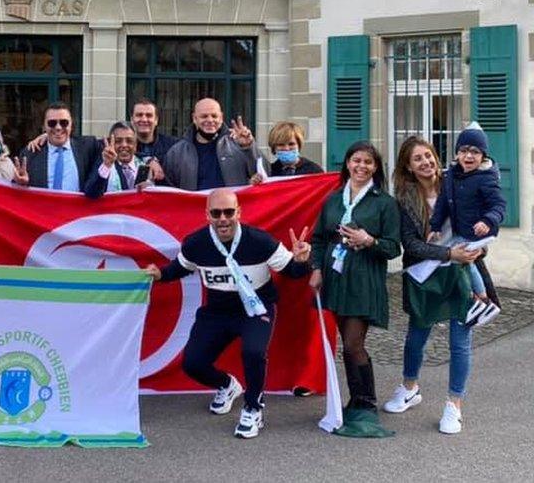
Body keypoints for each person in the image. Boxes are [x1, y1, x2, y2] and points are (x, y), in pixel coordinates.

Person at [144, 189, 313, 439]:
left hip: (256, 309)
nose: (223, 218)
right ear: (207, 216)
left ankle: (254, 408)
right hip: (217, 311)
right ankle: (227, 385)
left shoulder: (260, 241)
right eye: (216, 213)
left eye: (229, 212)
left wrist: (302, 260)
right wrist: (160, 274)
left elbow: (293, 272)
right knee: (192, 363)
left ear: (239, 213)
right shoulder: (196, 243)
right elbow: (179, 268)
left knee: (253, 351)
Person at [383, 136, 482, 434]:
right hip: (424, 274)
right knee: (416, 337)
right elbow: (410, 244)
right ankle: (410, 388)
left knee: (459, 341)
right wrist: (447, 252)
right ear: (408, 167)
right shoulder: (403, 199)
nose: (425, 162)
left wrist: (476, 249)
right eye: (417, 159)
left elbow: (481, 224)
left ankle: (454, 405)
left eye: (428, 155)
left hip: (461, 272)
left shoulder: (458, 184)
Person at [309, 141, 401, 437]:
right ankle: (355, 400)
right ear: (347, 163)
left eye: (368, 163)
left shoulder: (384, 202)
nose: (361, 167)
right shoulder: (333, 199)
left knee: (353, 343)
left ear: (376, 168)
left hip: (364, 279)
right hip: (335, 279)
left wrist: (369, 240)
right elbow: (320, 239)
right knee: (345, 345)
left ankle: (366, 402)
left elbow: (393, 248)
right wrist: (316, 269)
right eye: (356, 160)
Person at [428, 123, 506, 303]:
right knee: (459, 257)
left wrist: (487, 221)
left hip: (479, 232)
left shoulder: (486, 178)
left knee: (463, 258)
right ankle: (477, 297)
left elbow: (499, 205)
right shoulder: (450, 175)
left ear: (483, 155)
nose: (469, 156)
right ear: (457, 153)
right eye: (463, 150)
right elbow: (442, 203)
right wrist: (435, 226)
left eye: (475, 152)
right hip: (461, 229)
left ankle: (482, 297)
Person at [162, 97, 259, 190]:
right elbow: (168, 190)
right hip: (194, 207)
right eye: (204, 116)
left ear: (221, 118)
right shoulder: (177, 152)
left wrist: (249, 147)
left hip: (231, 206)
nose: (210, 120)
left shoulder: (238, 145)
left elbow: (262, 174)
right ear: (194, 118)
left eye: (214, 116)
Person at [15, 101, 99, 192]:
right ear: (44, 126)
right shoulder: (30, 154)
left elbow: (110, 148)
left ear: (71, 125)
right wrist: (21, 184)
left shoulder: (88, 147)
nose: (58, 127)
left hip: (76, 206)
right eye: (52, 123)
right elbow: (14, 192)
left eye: (64, 122)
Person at [84, 121, 152, 198]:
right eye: (118, 141)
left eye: (129, 141)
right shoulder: (103, 164)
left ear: (135, 145)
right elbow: (91, 193)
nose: (124, 145)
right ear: (111, 144)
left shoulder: (144, 166)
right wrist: (107, 166)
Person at [129, 98, 177, 183]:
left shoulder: (172, 146)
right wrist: (147, 159)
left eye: (149, 115)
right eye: (139, 115)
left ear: (156, 120)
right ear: (132, 120)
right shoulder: (122, 146)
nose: (144, 119)